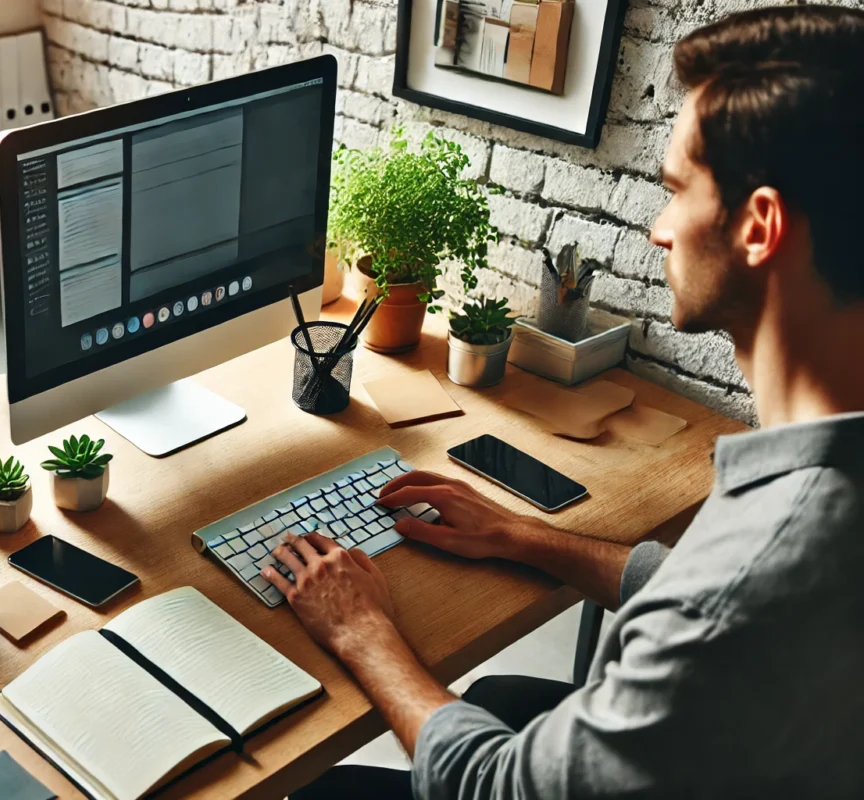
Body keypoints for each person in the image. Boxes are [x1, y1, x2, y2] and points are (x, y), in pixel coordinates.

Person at [266, 5, 864, 798]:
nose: (658, 228)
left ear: (760, 227)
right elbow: (714, 598)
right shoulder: (812, 485)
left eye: (677, 190)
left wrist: (361, 630)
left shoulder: (755, 576)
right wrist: (529, 539)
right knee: (499, 696)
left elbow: (498, 785)